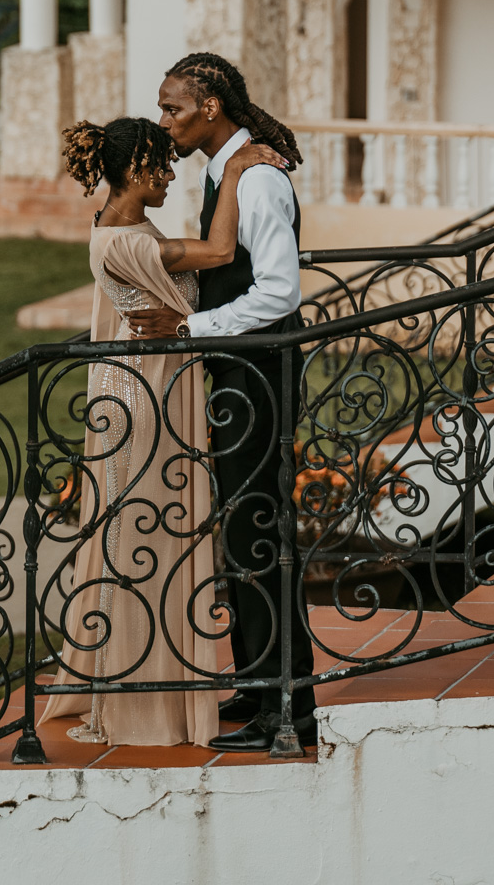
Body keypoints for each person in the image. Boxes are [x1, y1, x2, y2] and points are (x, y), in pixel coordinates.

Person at [40, 114, 288, 749]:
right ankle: (142, 700)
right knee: (146, 536)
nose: (172, 173)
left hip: (152, 383)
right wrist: (232, 171)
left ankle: (160, 683)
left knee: (151, 532)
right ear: (136, 171)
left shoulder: (121, 220)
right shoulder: (126, 240)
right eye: (162, 165)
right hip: (144, 397)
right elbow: (224, 253)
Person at [125, 52, 318, 754]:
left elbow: (278, 292)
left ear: (210, 107)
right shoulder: (223, 170)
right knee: (242, 529)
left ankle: (287, 709)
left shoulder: (258, 177)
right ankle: (259, 683)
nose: (163, 120)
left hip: (261, 371)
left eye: (172, 107)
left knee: (258, 529)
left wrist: (188, 329)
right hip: (239, 370)